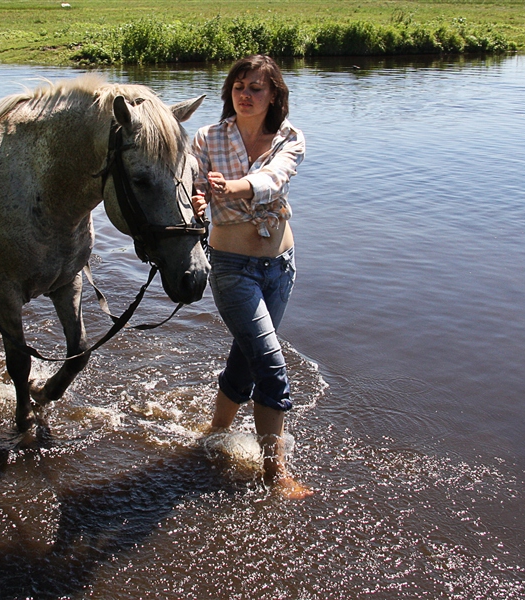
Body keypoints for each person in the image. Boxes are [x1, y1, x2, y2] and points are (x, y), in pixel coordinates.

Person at [190, 55, 312, 499]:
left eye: (256, 88)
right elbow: (191, 187)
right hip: (231, 266)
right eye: (239, 86)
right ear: (229, 92)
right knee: (271, 365)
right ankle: (274, 474)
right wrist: (199, 201)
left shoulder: (290, 138)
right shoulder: (206, 138)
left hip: (281, 266)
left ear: (274, 95)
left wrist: (230, 188)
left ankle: (213, 432)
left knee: (247, 357)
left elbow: (273, 179)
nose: (245, 95)